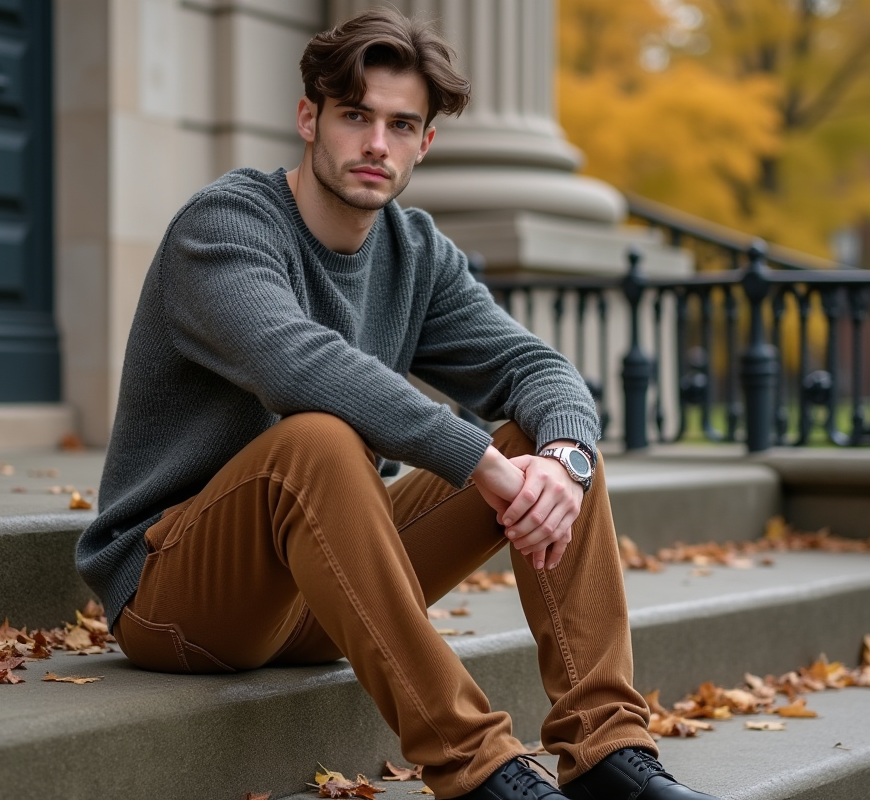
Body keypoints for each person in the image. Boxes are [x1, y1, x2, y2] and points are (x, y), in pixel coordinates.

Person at [76, 8, 719, 800]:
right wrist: (475, 460)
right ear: (309, 119)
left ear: (425, 143)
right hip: (177, 591)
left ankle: (607, 750)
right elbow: (295, 364)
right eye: (356, 116)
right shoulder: (224, 226)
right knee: (318, 439)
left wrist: (567, 462)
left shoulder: (415, 253)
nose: (377, 143)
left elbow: (536, 367)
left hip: (322, 590)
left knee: (545, 448)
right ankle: (477, 768)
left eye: (401, 125)